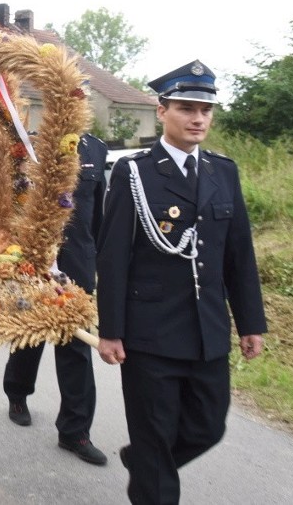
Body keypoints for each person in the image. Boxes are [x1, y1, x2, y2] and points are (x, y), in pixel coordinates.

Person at [96, 60, 267, 504]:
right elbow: (112, 257)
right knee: (156, 451)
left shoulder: (222, 171)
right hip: (150, 335)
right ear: (162, 110)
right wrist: (110, 330)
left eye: (205, 110)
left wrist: (251, 323)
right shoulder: (136, 173)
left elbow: (239, 255)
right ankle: (151, 466)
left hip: (208, 333)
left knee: (208, 426)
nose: (197, 118)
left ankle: (147, 460)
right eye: (187, 108)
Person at [3, 132, 108, 466]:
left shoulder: (95, 148)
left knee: (76, 347)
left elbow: (97, 215)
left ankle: (75, 431)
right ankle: (17, 393)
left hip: (77, 262)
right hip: (34, 261)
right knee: (30, 337)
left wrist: (98, 260)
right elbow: (10, 203)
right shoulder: (29, 142)